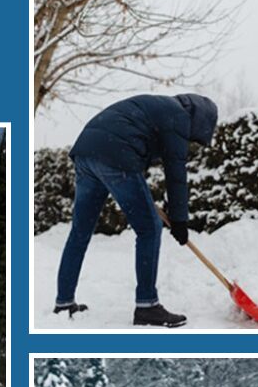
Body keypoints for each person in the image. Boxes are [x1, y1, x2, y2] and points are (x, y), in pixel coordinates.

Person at [54, 93, 218, 327]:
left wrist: (171, 208)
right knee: (150, 228)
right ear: (199, 119)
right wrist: (180, 221)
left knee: (80, 232)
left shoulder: (158, 108)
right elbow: (176, 173)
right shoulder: (179, 117)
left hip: (86, 154)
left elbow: (142, 148)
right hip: (115, 154)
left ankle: (63, 302)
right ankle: (147, 306)